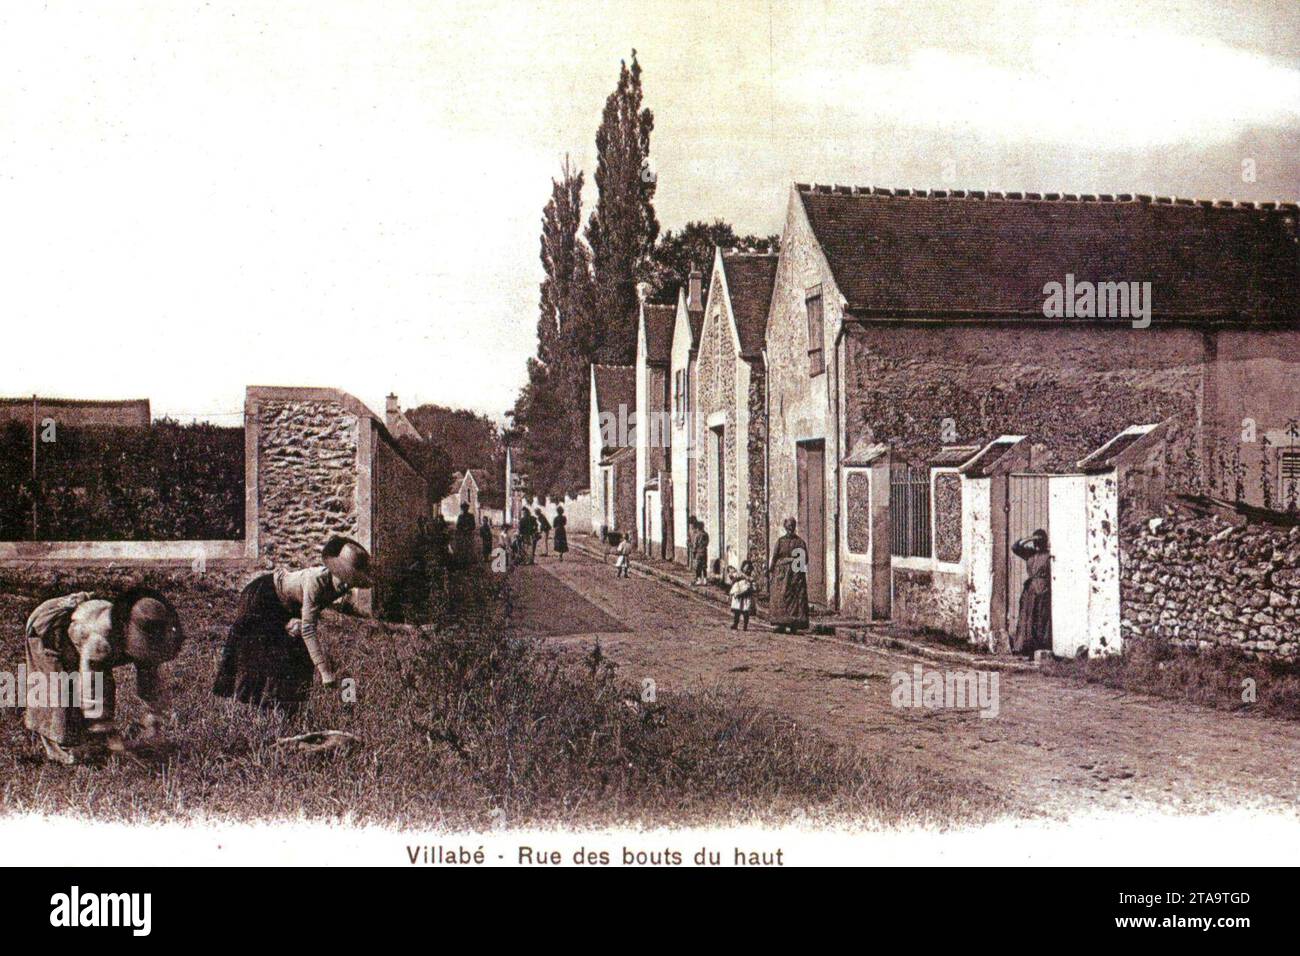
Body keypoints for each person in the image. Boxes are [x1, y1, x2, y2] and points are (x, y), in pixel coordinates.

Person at [24, 587, 184, 765]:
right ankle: (63, 753)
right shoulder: (100, 639)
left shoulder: (146, 633)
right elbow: (91, 684)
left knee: (104, 685)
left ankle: (92, 739)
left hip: (81, 635)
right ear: (126, 628)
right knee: (59, 695)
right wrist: (106, 730)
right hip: (49, 629)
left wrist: (154, 719)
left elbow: (149, 679)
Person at [214, 536, 373, 712]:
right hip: (263, 596)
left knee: (298, 656)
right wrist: (325, 672)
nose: (344, 585)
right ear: (334, 570)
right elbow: (308, 629)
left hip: (286, 608)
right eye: (342, 577)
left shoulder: (339, 588)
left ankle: (287, 709)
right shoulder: (316, 581)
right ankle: (245, 710)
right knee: (257, 653)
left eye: (350, 581)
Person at [1011, 528, 1052, 656]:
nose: (1037, 544)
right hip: (1030, 590)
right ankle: (1023, 646)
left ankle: (1039, 646)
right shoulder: (1030, 554)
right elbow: (1015, 547)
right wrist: (1030, 538)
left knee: (1039, 618)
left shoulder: (1048, 556)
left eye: (1039, 541)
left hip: (1042, 589)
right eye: (1036, 541)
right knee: (1026, 617)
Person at [768, 517, 810, 634]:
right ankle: (781, 624)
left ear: (795, 527)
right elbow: (775, 557)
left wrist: (798, 574)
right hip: (781, 575)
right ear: (785, 527)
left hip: (795, 574)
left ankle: (794, 624)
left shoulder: (800, 542)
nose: (790, 528)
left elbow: (804, 559)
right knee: (781, 597)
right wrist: (771, 571)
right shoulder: (780, 542)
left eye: (792, 526)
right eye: (788, 526)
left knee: (795, 599)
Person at [728, 560, 756, 631]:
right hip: (738, 595)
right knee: (737, 611)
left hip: (746, 596)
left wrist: (747, 578)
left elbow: (753, 584)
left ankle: (745, 626)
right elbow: (733, 579)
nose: (747, 570)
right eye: (746, 568)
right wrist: (734, 576)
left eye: (749, 568)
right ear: (742, 567)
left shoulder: (751, 577)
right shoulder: (739, 574)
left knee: (745, 612)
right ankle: (735, 624)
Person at [692, 520, 710, 586]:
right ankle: (705, 580)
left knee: (698, 567)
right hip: (704, 552)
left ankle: (699, 580)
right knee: (704, 566)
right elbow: (707, 543)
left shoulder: (697, 535)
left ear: (698, 528)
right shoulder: (706, 534)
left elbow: (695, 545)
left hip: (698, 553)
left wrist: (694, 553)